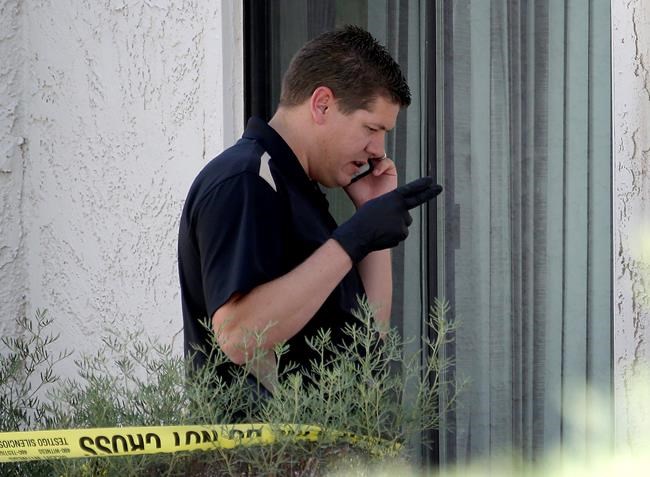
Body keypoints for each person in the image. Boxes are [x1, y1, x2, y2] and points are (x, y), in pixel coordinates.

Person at [178, 25, 442, 393]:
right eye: (371, 128)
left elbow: (368, 343)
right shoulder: (245, 179)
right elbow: (239, 336)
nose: (378, 150)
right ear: (322, 105)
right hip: (265, 433)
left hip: (324, 430)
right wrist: (352, 239)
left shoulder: (300, 191)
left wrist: (370, 224)